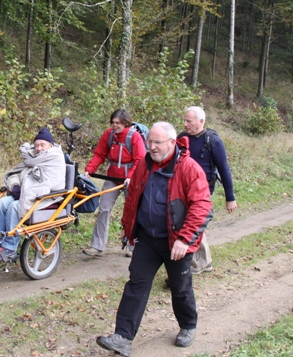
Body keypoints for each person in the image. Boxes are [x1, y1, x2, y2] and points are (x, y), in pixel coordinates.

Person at [96, 122, 213, 356]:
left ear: (172, 143)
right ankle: (122, 338)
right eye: (150, 142)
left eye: (157, 143)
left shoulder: (188, 168)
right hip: (148, 239)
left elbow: (202, 206)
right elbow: (133, 198)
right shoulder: (144, 165)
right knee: (136, 285)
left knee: (180, 289)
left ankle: (188, 325)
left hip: (176, 242)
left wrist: (184, 239)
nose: (152, 147)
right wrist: (127, 227)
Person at [0, 127, 66, 262]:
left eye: (42, 145)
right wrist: (15, 186)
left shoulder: (54, 158)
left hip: (46, 198)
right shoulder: (32, 158)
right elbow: (16, 174)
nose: (39, 148)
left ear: (50, 145)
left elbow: (53, 184)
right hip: (28, 195)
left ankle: (10, 247)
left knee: (15, 206)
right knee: (3, 202)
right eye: (37, 145)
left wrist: (25, 192)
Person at [180, 106, 237, 274]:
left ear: (201, 121)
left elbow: (224, 169)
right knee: (191, 222)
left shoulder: (212, 141)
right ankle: (204, 261)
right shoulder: (182, 138)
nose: (185, 124)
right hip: (182, 188)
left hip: (202, 190)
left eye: (189, 121)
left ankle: (200, 262)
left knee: (194, 221)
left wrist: (230, 197)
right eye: (184, 120)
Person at [82, 109, 146, 257]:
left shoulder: (134, 136)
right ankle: (97, 246)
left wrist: (130, 177)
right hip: (112, 178)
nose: (114, 125)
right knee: (104, 208)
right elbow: (100, 154)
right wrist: (89, 170)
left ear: (125, 123)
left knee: (132, 211)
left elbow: (140, 160)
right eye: (112, 123)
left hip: (131, 180)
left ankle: (133, 246)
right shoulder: (109, 134)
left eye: (117, 123)